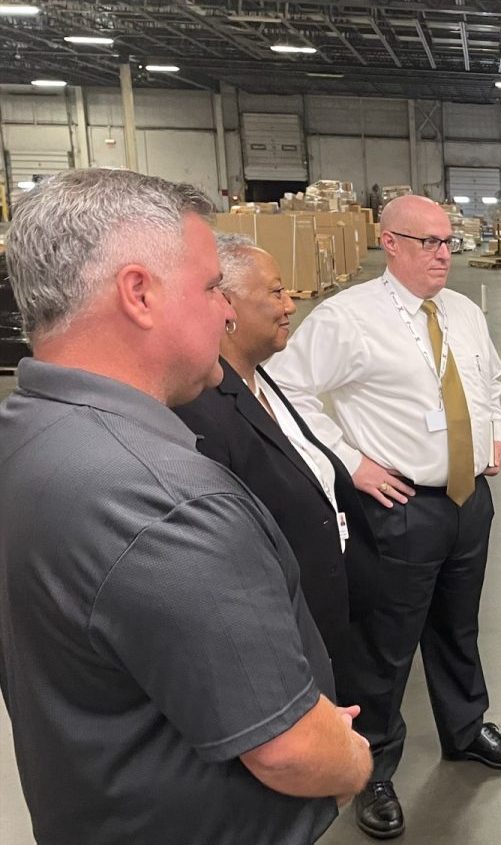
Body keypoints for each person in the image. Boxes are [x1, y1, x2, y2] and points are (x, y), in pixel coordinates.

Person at [0, 168, 371, 844]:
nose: (226, 312)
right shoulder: (170, 500)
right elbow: (288, 747)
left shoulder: (29, 433)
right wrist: (352, 757)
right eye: (208, 288)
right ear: (138, 293)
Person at [267, 194, 501, 840]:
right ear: (389, 242)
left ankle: (466, 728)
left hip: (468, 501)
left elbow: (490, 382)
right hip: (397, 507)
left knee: (457, 626)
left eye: (447, 241)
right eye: (428, 242)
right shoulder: (347, 319)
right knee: (384, 644)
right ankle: (373, 763)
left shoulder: (465, 312)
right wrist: (350, 462)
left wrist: (495, 429)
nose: (443, 253)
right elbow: (282, 388)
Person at [174, 234, 379, 682]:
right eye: (275, 292)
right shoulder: (203, 409)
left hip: (318, 619)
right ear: (225, 306)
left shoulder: (262, 381)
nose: (290, 305)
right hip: (278, 641)